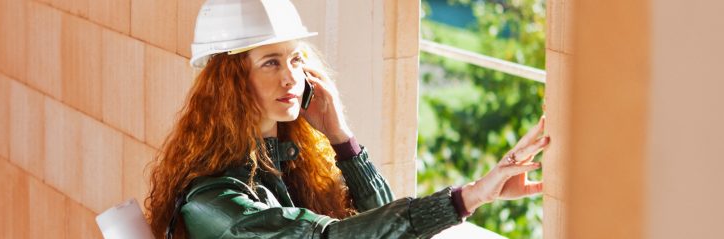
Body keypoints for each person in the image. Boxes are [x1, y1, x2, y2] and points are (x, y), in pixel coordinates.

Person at [145, 0, 550, 238]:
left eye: (296, 59)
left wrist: (342, 138)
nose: (291, 76)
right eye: (270, 62)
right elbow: (332, 238)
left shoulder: (288, 161)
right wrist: (471, 196)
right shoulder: (212, 203)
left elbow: (383, 221)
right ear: (229, 82)